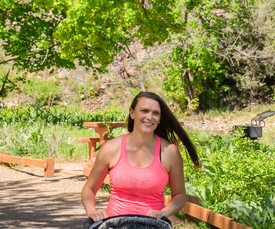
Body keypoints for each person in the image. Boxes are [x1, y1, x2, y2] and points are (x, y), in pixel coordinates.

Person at [80, 91, 200, 222]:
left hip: (154, 228)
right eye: (144, 111)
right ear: (132, 113)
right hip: (114, 228)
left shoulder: (170, 152)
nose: (150, 117)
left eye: (156, 113)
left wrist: (164, 212)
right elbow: (89, 188)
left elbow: (180, 195)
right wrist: (91, 211)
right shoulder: (111, 148)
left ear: (160, 119)